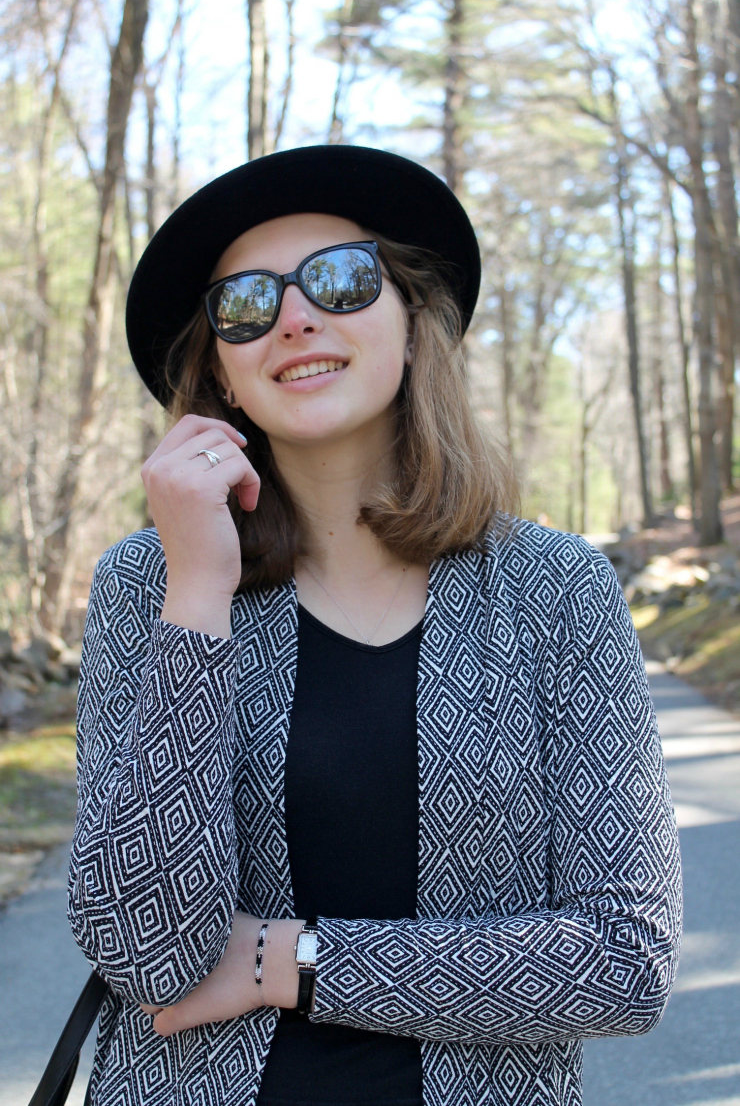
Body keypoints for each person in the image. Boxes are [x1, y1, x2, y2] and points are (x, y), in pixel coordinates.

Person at [68, 145, 682, 1106]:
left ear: (412, 324)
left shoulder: (557, 588)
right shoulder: (146, 580)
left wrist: (290, 960)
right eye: (246, 304)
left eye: (343, 281)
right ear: (223, 372)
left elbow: (623, 959)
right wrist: (195, 596)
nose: (297, 317)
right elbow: (149, 954)